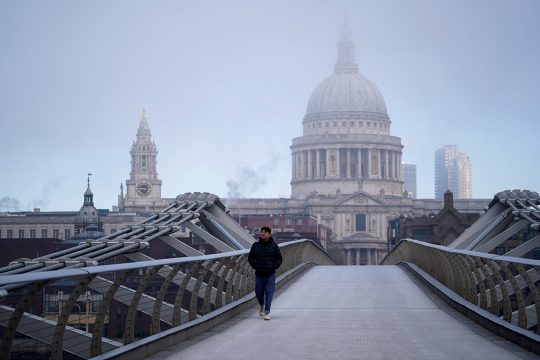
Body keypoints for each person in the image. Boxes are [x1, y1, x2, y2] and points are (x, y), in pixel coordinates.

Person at [248, 226, 282, 320]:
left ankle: (267, 312)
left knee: (269, 292)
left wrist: (274, 266)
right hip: (259, 273)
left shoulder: (274, 246)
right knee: (258, 292)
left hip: (270, 273)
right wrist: (255, 266)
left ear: (269, 234)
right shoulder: (255, 245)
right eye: (262, 232)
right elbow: (250, 257)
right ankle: (261, 305)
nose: (262, 233)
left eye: (265, 232)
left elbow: (279, 258)